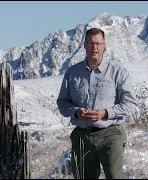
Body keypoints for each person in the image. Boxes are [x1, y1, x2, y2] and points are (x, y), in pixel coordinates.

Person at [56, 27, 138, 179]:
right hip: (82, 136)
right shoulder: (72, 73)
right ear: (84, 45)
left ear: (104, 45)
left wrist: (105, 113)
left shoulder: (117, 72)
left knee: (114, 176)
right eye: (91, 43)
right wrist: (75, 111)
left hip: (111, 133)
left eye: (98, 44)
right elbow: (62, 103)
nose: (95, 48)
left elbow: (130, 104)